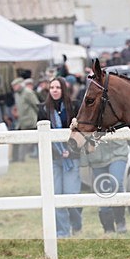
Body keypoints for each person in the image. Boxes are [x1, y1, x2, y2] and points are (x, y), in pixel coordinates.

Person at [81, 134, 130, 234]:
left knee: (116, 183)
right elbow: (83, 131)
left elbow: (129, 131)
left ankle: (120, 221)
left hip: (118, 152)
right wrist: (84, 160)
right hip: (96, 157)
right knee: (103, 191)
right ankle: (108, 227)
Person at [45, 76, 82, 237]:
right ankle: (62, 231)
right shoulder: (44, 109)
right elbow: (41, 136)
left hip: (72, 158)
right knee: (57, 196)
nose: (54, 90)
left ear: (63, 89)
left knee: (71, 195)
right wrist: (59, 151)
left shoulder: (74, 106)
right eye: (52, 87)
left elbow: (80, 133)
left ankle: (77, 224)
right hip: (54, 158)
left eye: (58, 87)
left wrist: (70, 150)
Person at [12, 77, 40, 161]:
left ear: (20, 85)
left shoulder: (28, 92)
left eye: (15, 86)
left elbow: (36, 105)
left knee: (34, 140)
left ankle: (22, 158)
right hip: (21, 121)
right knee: (17, 140)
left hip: (30, 121)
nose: (14, 88)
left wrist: (39, 117)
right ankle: (16, 158)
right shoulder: (16, 94)